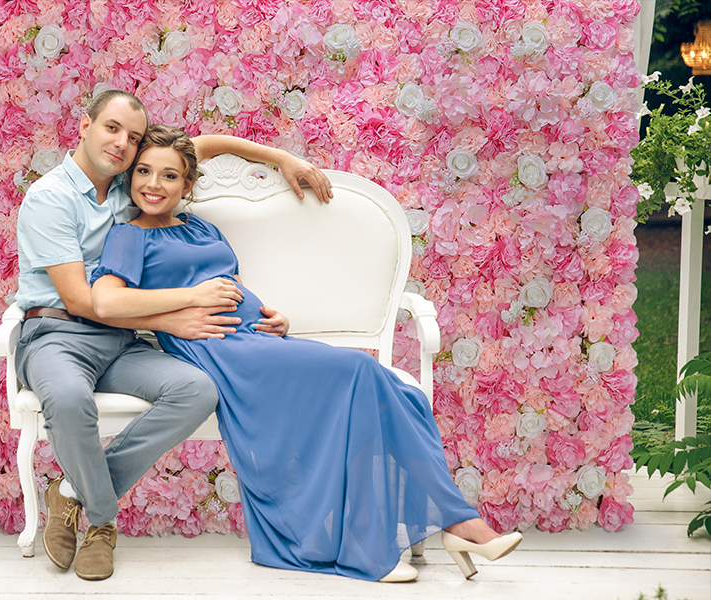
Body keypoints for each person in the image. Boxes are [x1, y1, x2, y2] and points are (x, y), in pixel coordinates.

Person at [89, 125, 524, 583]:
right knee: (359, 367)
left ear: (188, 184)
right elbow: (107, 302)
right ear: (130, 175)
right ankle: (449, 526)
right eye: (143, 172)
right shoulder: (129, 236)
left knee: (401, 393)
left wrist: (271, 313)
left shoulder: (198, 225)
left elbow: (229, 263)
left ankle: (435, 528)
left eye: (169, 176)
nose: (154, 184)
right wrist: (189, 300)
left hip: (260, 338)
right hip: (220, 351)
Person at [15, 90, 332, 581]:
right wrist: (171, 317)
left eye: (133, 137)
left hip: (120, 340)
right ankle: (102, 523)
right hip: (56, 332)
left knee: (196, 390)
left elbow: (204, 146)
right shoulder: (50, 198)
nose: (122, 144)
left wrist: (282, 158)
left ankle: (72, 491)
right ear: (85, 125)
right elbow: (81, 301)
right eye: (112, 128)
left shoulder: (133, 182)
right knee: (71, 399)